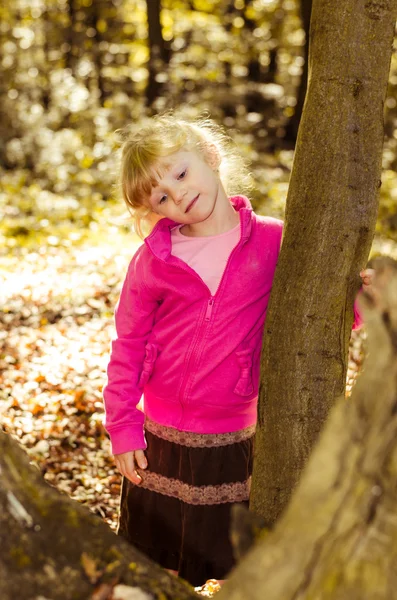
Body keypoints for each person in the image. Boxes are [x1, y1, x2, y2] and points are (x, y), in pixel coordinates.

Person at [102, 113, 371, 586]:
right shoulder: (154, 261)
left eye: (180, 174)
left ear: (211, 157)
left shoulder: (274, 241)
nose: (178, 195)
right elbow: (128, 345)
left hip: (234, 439)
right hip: (158, 440)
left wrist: (358, 303)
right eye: (161, 196)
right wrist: (123, 426)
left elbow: (309, 320)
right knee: (157, 566)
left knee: (235, 568)